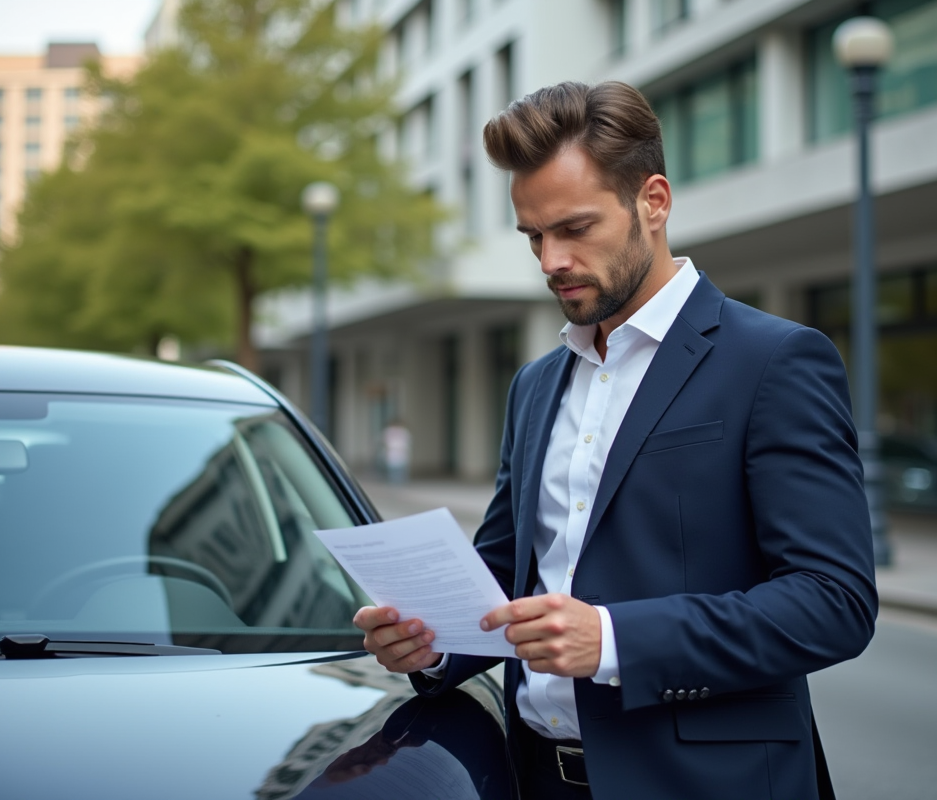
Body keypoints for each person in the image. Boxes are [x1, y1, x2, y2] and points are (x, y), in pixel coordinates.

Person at [354, 80, 877, 800]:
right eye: (534, 236)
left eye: (574, 228)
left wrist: (615, 640)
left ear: (653, 202)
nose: (550, 260)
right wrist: (431, 643)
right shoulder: (535, 385)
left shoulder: (774, 361)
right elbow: (506, 576)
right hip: (534, 779)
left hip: (704, 785)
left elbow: (834, 601)